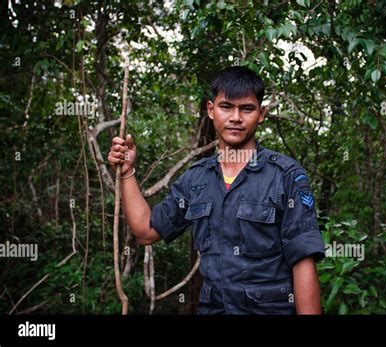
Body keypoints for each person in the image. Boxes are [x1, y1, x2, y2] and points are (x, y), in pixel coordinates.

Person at [108, 66, 325, 314]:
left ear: (261, 113)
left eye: (247, 108)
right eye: (226, 107)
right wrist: (126, 172)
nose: (235, 117)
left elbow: (303, 260)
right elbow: (146, 231)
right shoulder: (197, 178)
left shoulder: (285, 176)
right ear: (211, 110)